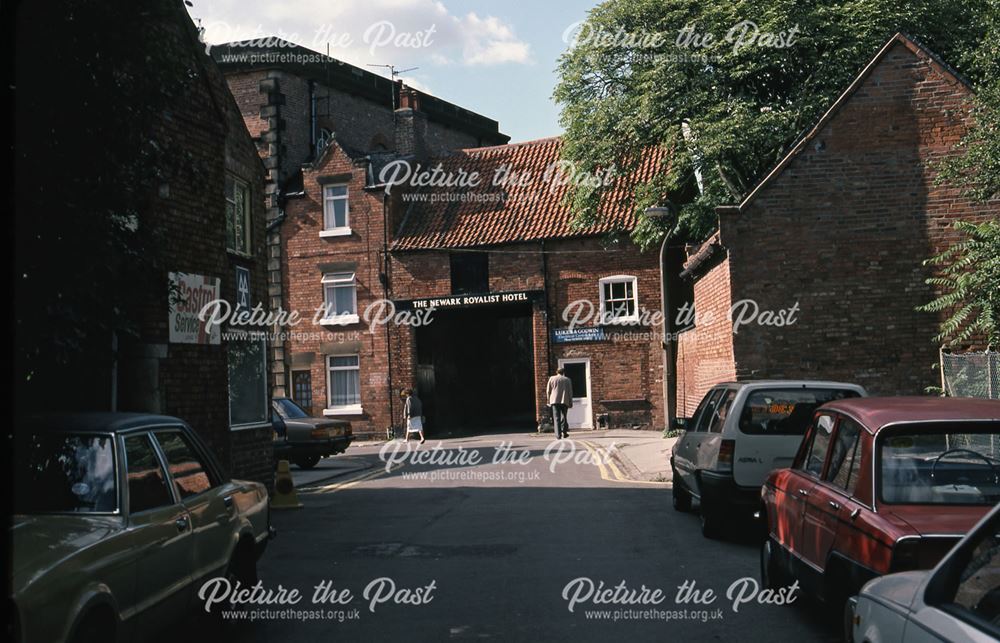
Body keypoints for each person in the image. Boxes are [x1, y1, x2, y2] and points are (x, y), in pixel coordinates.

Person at [546, 367, 573, 439]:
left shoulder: (551, 378)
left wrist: (548, 400)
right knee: (564, 417)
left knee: (556, 418)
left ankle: (558, 435)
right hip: (564, 400)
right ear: (563, 372)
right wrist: (570, 401)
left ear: (556, 372)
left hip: (554, 401)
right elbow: (570, 392)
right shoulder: (567, 380)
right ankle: (564, 432)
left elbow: (548, 391)